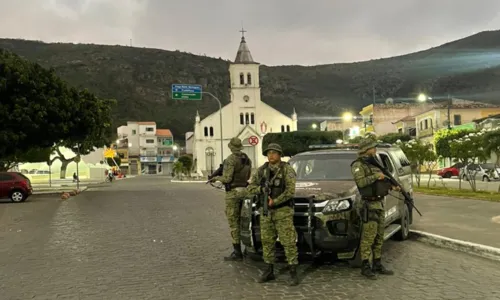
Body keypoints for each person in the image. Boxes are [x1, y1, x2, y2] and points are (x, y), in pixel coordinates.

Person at [246, 143, 299, 286]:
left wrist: (274, 202)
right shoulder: (262, 170)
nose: (271, 155)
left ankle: (293, 270)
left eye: (274, 153)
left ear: (279, 154)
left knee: (288, 242)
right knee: (267, 242)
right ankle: (269, 270)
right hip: (265, 212)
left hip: (283, 211)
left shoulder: (287, 170)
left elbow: (290, 191)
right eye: (268, 153)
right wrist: (261, 190)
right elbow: (250, 188)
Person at [350, 138, 397, 279]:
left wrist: (392, 186)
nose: (375, 149)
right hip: (368, 205)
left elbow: (380, 183)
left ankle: (377, 263)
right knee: (368, 237)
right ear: (366, 149)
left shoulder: (374, 162)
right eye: (372, 147)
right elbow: (361, 182)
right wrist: (376, 176)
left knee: (379, 236)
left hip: (379, 203)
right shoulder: (358, 165)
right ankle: (365, 266)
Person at [209, 137, 252, 261]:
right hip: (244, 191)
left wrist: (215, 178)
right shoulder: (247, 159)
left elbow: (227, 178)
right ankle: (247, 249)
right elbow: (248, 176)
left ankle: (237, 252)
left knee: (233, 222)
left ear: (231, 147)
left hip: (233, 193)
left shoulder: (230, 159)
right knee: (244, 221)